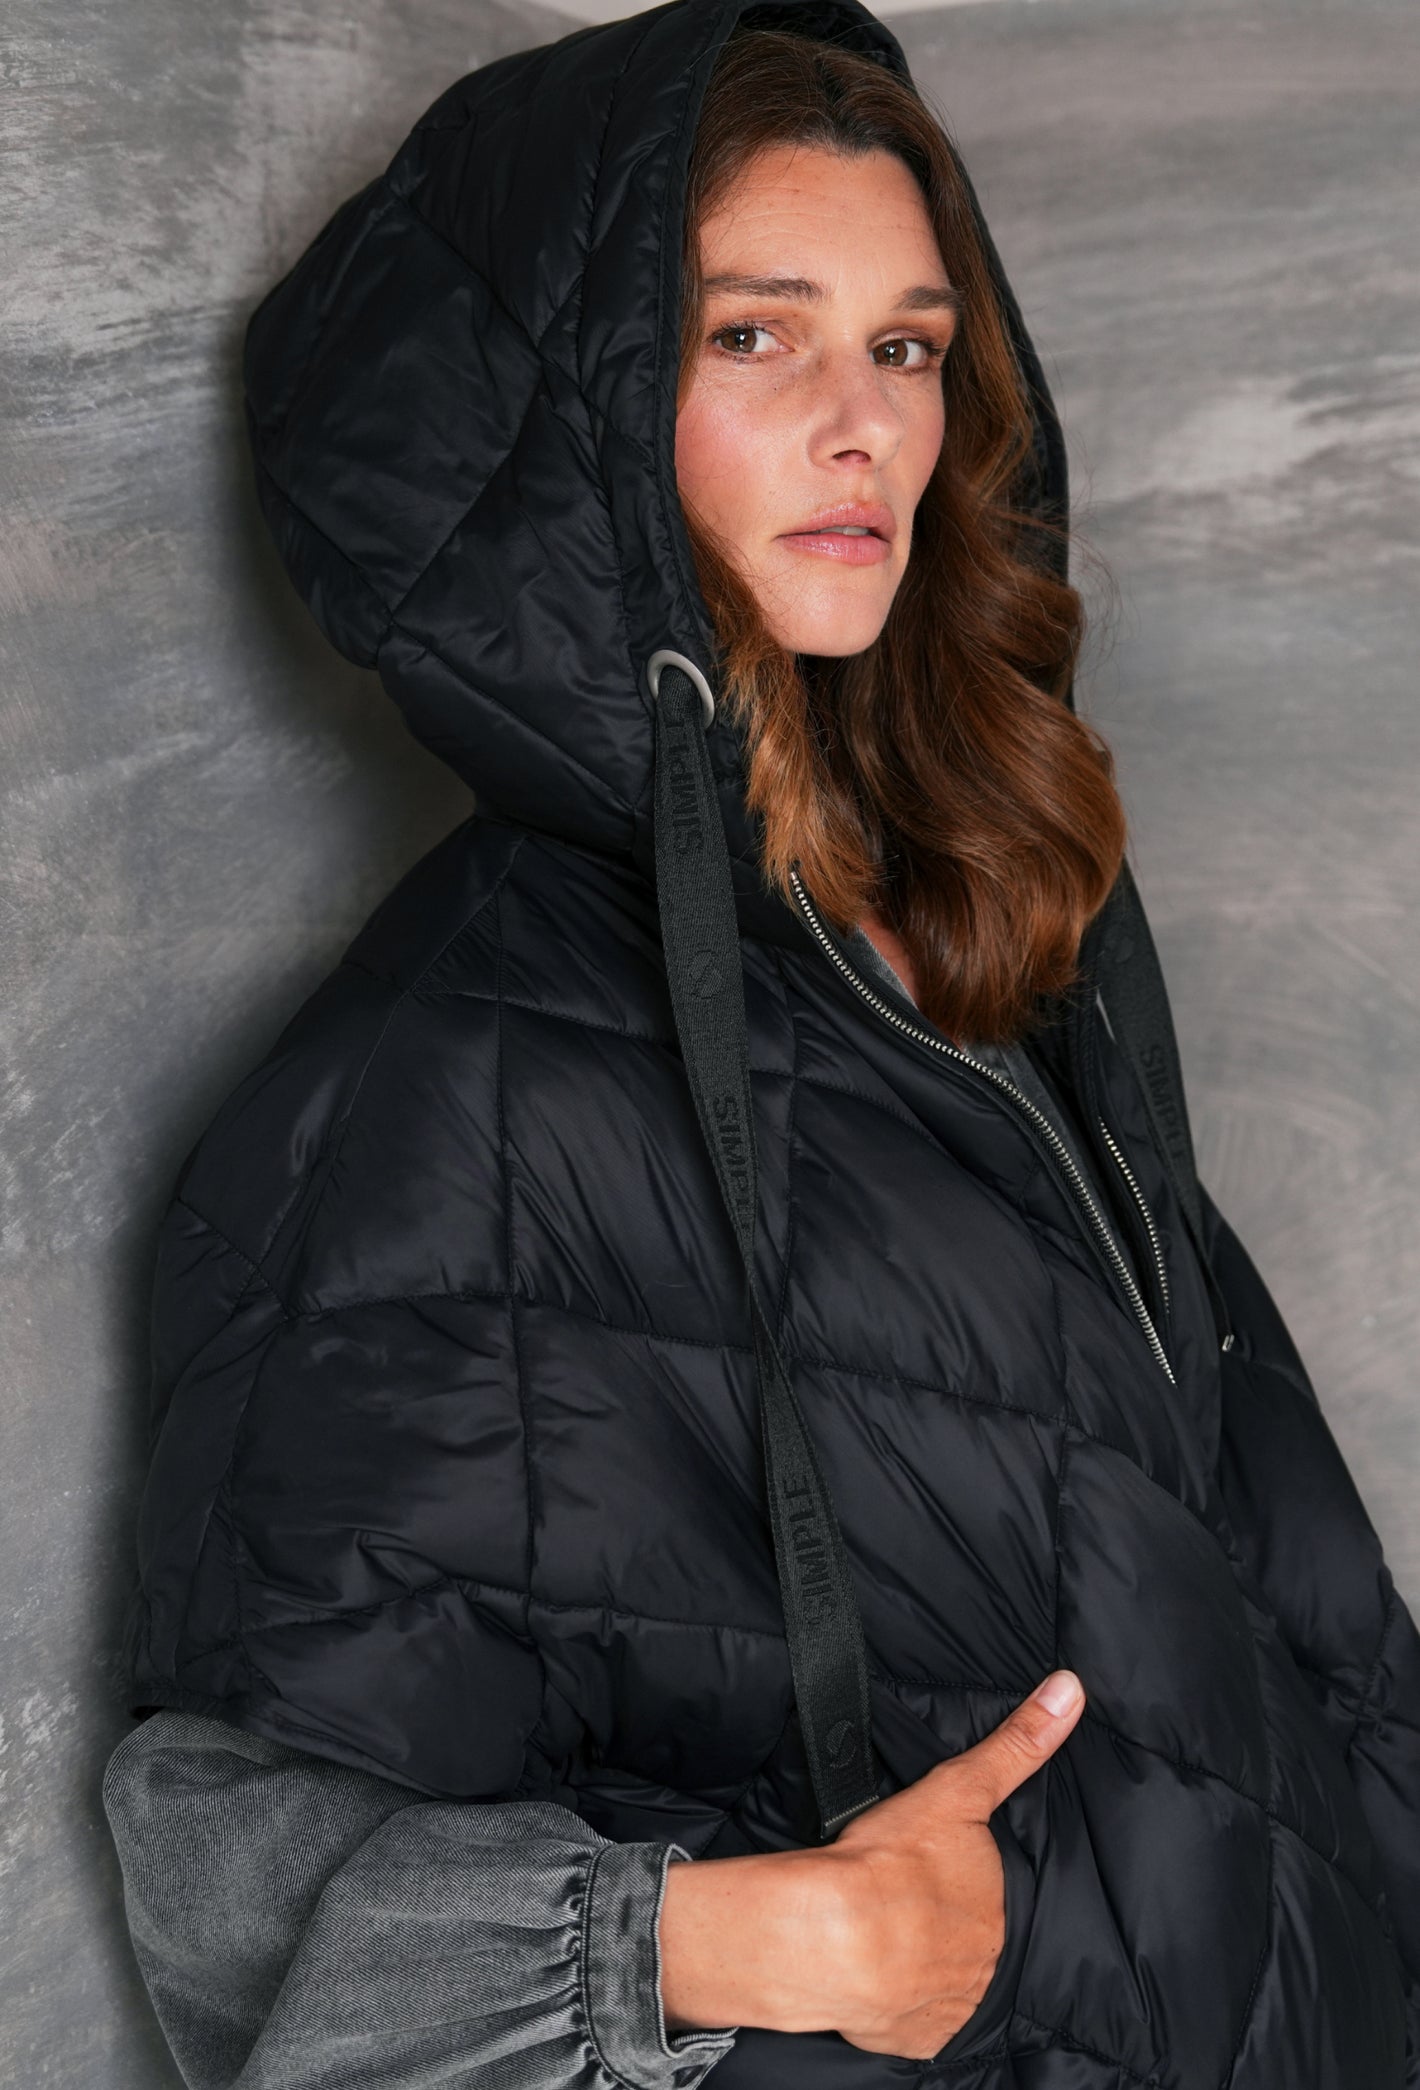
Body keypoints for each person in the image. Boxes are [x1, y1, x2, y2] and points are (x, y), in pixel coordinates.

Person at [104, 2, 1420, 2085]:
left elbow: (1252, 1579)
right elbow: (228, 1882)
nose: (862, 425)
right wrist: (701, 1940)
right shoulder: (453, 1080)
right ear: (570, 422)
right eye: (750, 335)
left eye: (906, 345)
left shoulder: (987, 913)